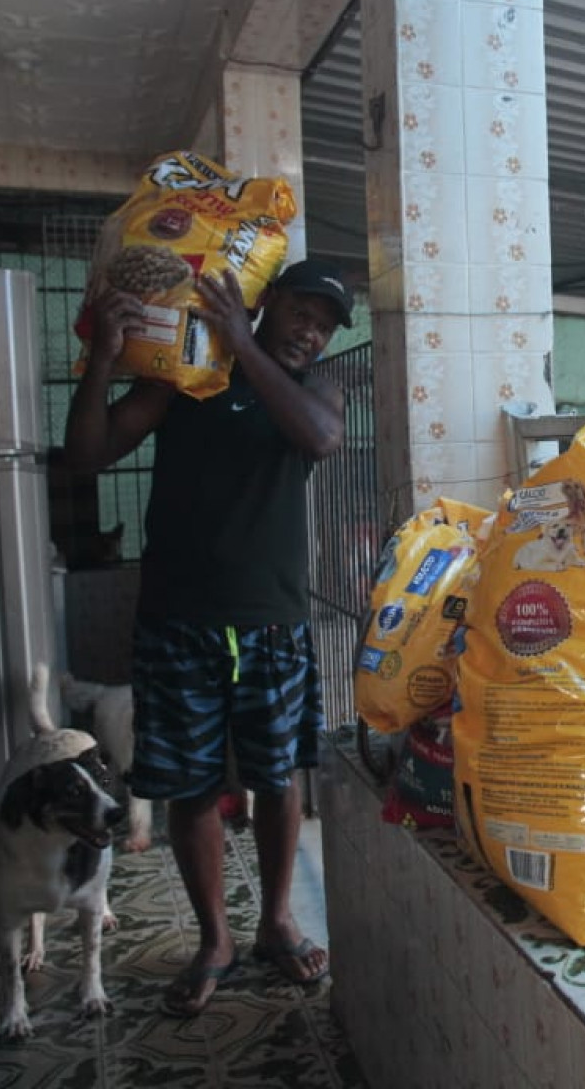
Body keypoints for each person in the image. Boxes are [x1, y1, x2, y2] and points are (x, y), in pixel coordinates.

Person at [65, 256, 351, 1016]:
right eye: (301, 313)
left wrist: (248, 349)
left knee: (280, 775)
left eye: (323, 327)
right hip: (178, 621)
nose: (311, 333)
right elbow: (88, 453)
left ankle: (278, 922)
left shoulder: (316, 389)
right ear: (266, 303)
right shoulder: (185, 377)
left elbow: (321, 439)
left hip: (273, 623)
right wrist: (101, 359)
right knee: (191, 786)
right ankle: (215, 939)